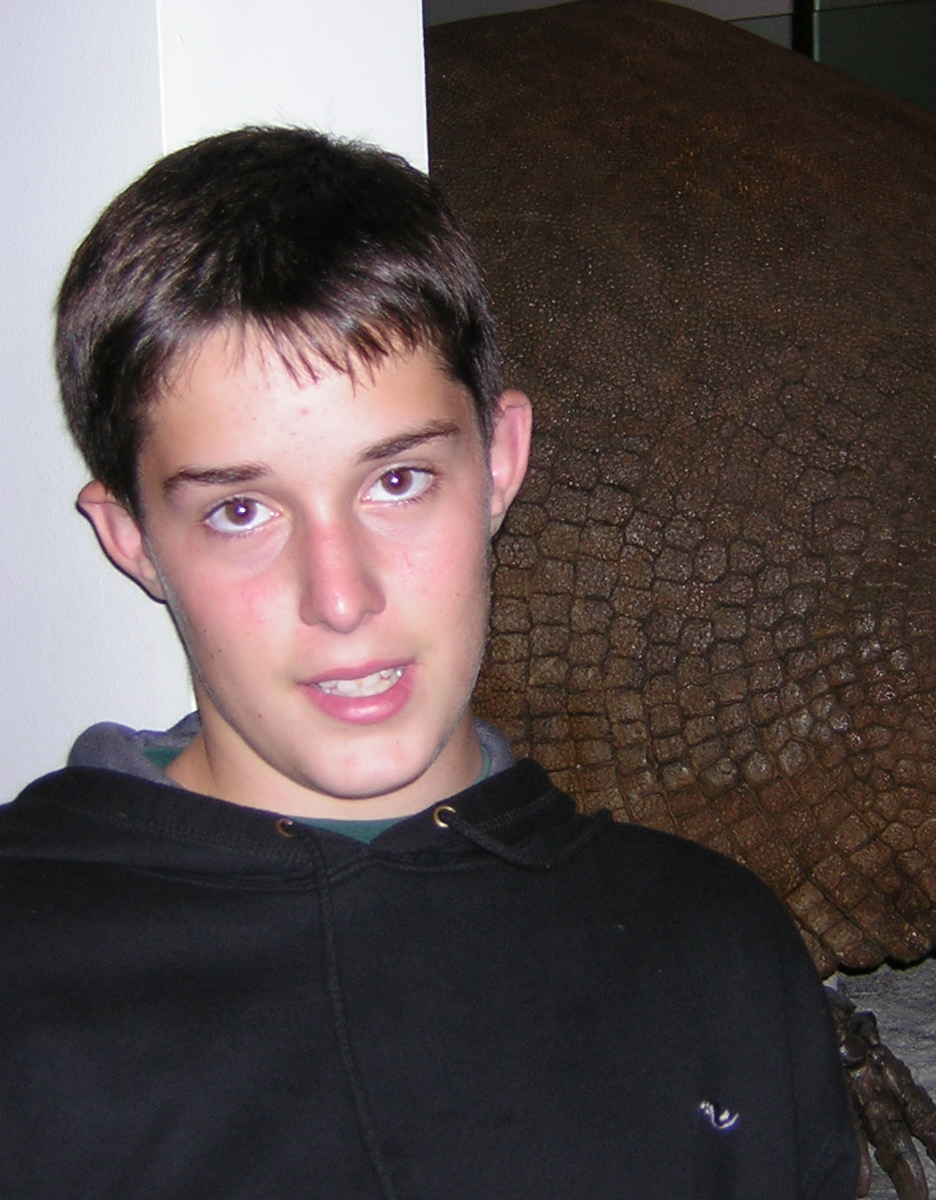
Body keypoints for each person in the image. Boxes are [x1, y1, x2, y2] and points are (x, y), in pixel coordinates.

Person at [0, 126, 857, 1199]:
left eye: (396, 482)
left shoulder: (715, 947)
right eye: (241, 511)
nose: (342, 597)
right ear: (131, 538)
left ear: (499, 462)